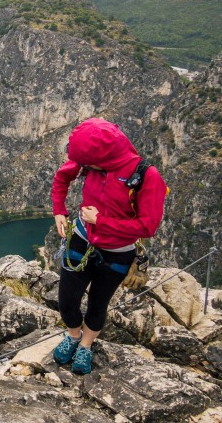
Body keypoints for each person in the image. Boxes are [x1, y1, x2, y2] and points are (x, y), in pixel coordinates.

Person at [51, 118, 167, 374]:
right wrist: (59, 210)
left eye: (87, 163)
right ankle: (72, 336)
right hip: (81, 239)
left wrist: (100, 221)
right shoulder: (91, 165)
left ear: (101, 157)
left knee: (98, 303)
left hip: (118, 252)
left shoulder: (146, 176)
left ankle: (85, 346)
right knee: (67, 300)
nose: (83, 167)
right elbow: (62, 177)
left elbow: (147, 227)